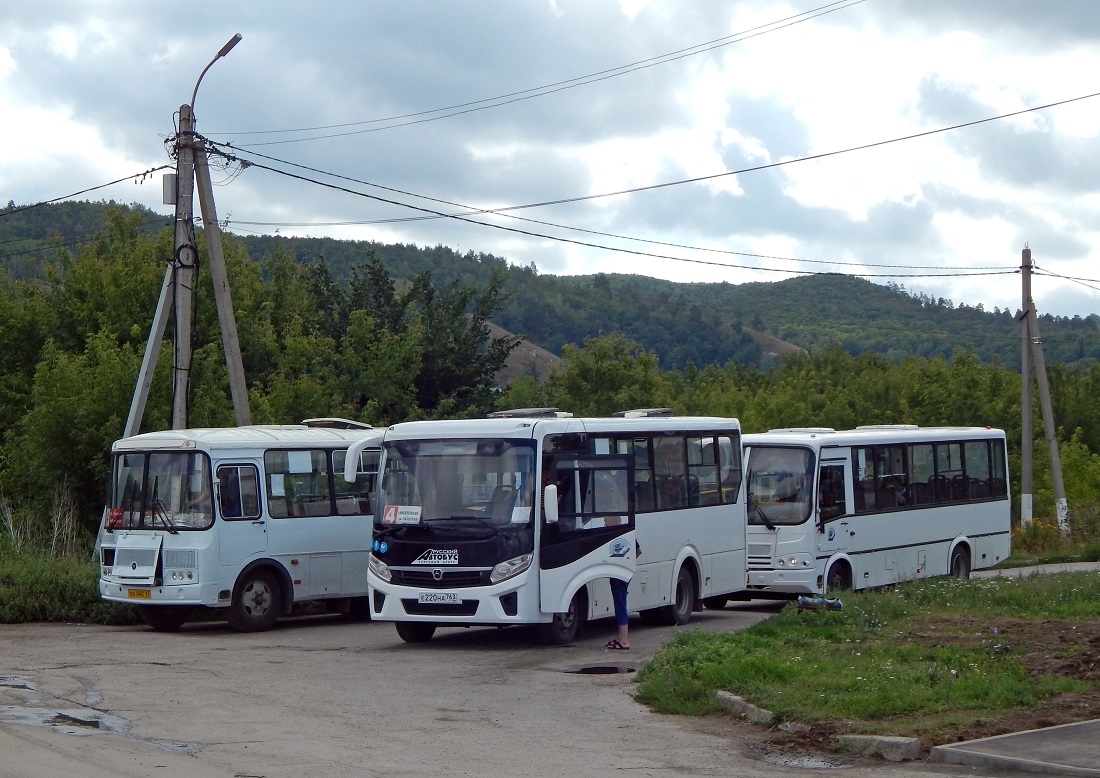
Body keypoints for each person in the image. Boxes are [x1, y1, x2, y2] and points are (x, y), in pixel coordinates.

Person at [605, 540, 641, 650]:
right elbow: (638, 551)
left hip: (619, 574)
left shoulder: (618, 535)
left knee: (620, 604)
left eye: (606, 522)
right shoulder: (627, 536)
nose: (605, 525)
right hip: (623, 572)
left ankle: (624, 640)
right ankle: (621, 638)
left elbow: (639, 551)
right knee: (620, 602)